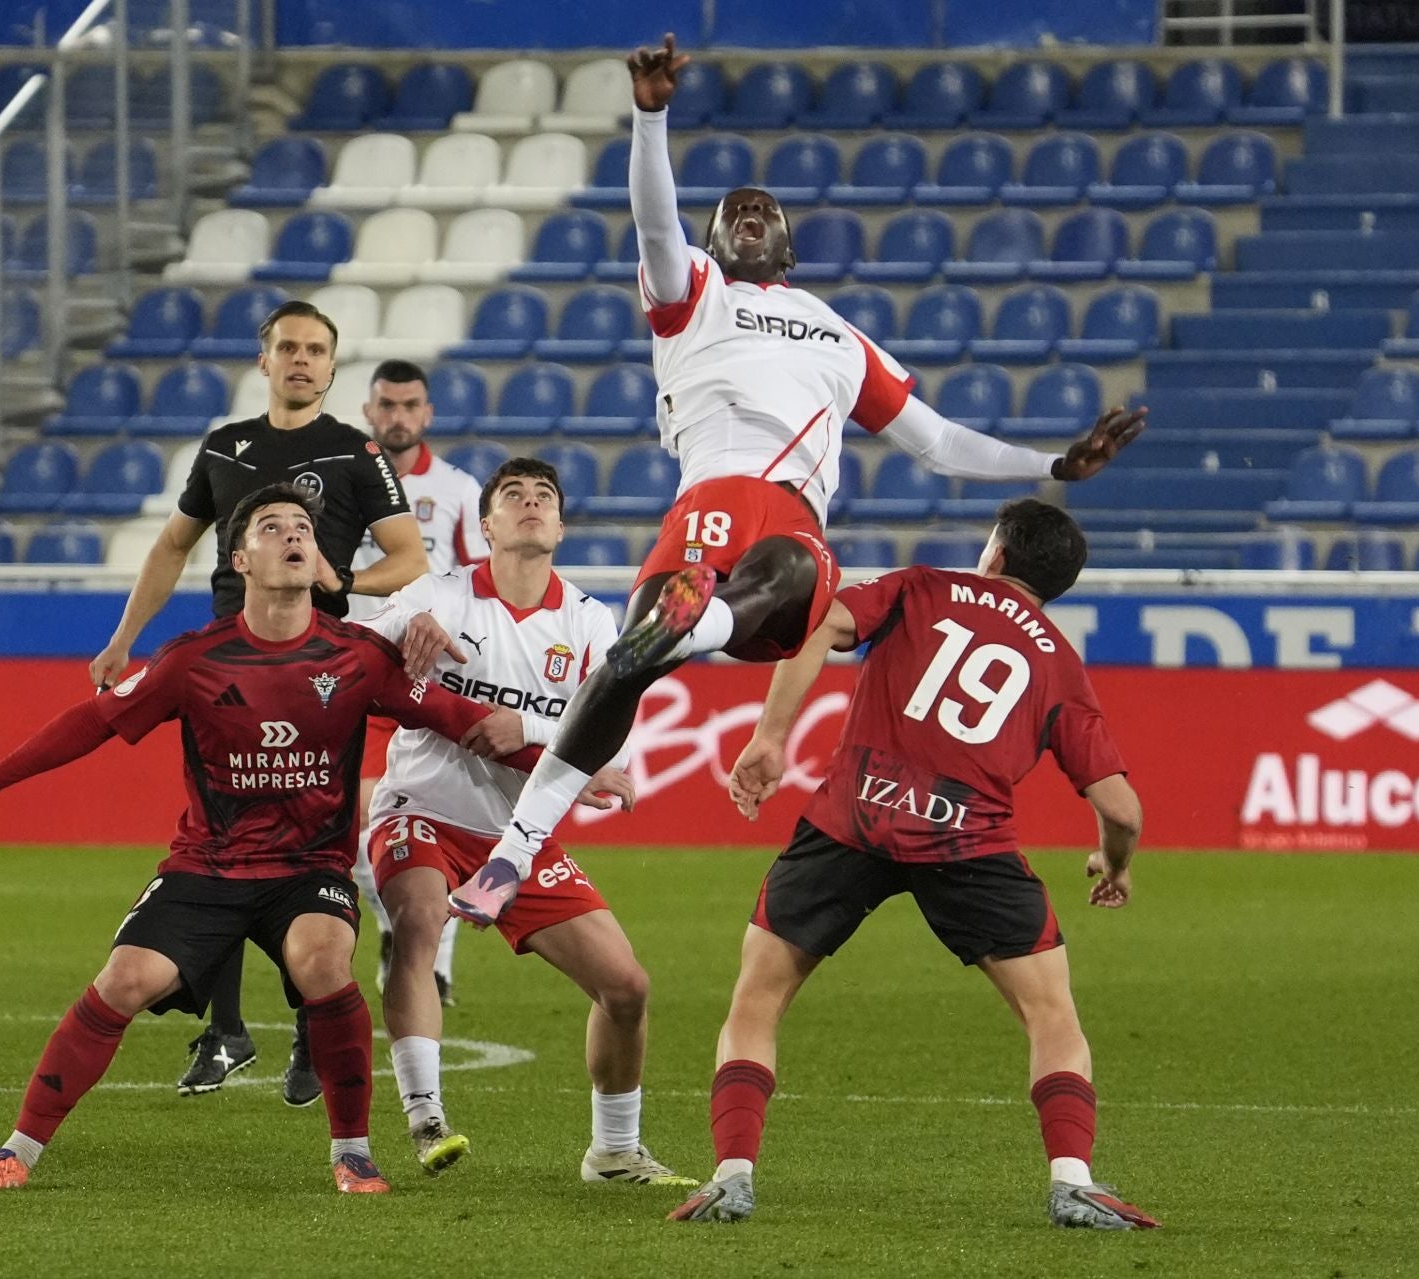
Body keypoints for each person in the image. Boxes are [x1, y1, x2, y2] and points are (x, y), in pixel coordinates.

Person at [448, 34, 1147, 927]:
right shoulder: (690, 293)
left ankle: (700, 622)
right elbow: (653, 220)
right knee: (625, 664)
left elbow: (935, 442)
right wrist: (650, 116)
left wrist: (1052, 464)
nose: (748, 213)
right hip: (703, 508)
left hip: (788, 529)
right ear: (710, 242)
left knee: (785, 563)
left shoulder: (839, 335)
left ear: (789, 245)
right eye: (733, 208)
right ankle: (514, 853)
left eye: (764, 209)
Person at [0, 484, 558, 1196]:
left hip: (309, 868)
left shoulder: (357, 657)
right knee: (124, 979)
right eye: (271, 526)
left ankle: (353, 1153)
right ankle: (18, 1149)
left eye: (302, 528)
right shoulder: (195, 658)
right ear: (241, 559)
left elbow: (464, 720)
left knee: (323, 960)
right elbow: (95, 722)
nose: (291, 534)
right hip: (208, 864)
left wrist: (572, 765)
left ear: (318, 559)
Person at [667, 499, 1157, 1229]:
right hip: (969, 842)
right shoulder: (1058, 661)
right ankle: (1073, 1180)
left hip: (848, 822)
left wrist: (772, 735)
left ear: (994, 553)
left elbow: (823, 625)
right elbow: (1121, 808)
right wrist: (1114, 864)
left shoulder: (921, 587)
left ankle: (732, 1175)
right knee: (1051, 1014)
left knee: (758, 997)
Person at [86, 300, 430, 1106]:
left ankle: (311, 1026)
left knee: (312, 838)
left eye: (316, 349)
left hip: (317, 668)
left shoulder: (353, 451)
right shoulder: (225, 446)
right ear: (264, 359)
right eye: (289, 347)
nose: (302, 359)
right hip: (225, 667)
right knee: (222, 837)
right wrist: (123, 637)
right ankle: (227, 1030)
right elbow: (173, 544)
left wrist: (345, 586)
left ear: (332, 368)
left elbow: (408, 556)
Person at [358, 457, 693, 1186]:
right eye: (513, 495)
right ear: (487, 525)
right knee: (418, 921)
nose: (531, 504)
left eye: (545, 496)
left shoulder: (587, 618)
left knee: (627, 986)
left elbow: (613, 736)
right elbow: (364, 662)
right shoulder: (441, 595)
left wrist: (529, 726)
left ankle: (612, 1151)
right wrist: (399, 627)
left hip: (518, 835)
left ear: (563, 524)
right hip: (421, 807)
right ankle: (426, 1115)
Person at [345, 359, 488, 1010]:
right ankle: (390, 927)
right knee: (353, 815)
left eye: (410, 405)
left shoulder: (458, 491)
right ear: (369, 411)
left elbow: (483, 586)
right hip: (347, 668)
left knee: (432, 816)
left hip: (424, 676)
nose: (398, 416)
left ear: (427, 413)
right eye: (387, 404)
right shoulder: (341, 486)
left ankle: (436, 962)